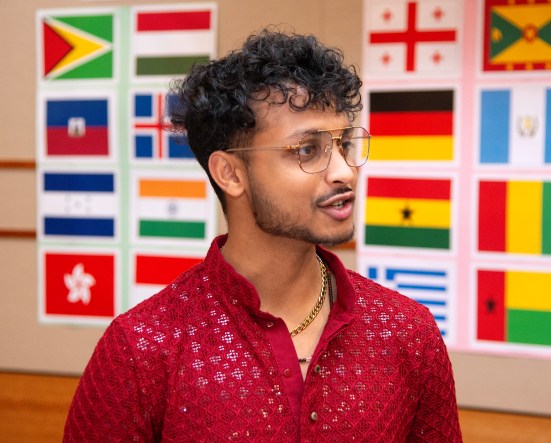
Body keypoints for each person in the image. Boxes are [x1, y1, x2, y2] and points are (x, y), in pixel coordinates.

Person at [64, 28, 462, 442]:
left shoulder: (406, 331)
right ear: (230, 173)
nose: (344, 171)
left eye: (344, 144)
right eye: (307, 149)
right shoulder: (143, 347)